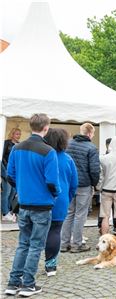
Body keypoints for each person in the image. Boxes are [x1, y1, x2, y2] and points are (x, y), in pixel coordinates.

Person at [4, 114, 60, 297]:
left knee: (23, 244)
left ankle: (13, 283)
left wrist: (22, 189)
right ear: (46, 128)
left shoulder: (17, 148)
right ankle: (28, 284)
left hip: (24, 203)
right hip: (42, 205)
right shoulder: (48, 151)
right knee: (35, 245)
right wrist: (55, 194)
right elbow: (52, 181)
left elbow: (9, 175)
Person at [43, 128, 78, 277]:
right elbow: (74, 184)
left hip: (42, 199)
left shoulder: (42, 156)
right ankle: (51, 265)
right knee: (55, 231)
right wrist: (67, 199)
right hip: (61, 199)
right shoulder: (67, 159)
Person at [61, 123, 100, 253]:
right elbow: (94, 170)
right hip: (84, 185)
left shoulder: (68, 144)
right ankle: (77, 244)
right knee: (80, 215)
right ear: (89, 133)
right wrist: (95, 184)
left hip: (69, 184)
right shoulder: (92, 148)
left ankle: (64, 243)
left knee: (69, 213)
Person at [97, 138, 116, 235]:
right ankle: (102, 226)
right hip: (112, 186)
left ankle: (113, 226)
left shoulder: (104, 157)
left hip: (109, 186)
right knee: (107, 209)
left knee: (107, 209)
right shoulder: (104, 157)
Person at [1, 127, 21, 221]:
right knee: (6, 193)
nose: (18, 136)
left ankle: (9, 211)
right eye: (16, 134)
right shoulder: (6, 143)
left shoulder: (20, 145)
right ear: (12, 134)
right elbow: (2, 157)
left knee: (13, 193)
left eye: (19, 134)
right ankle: (4, 213)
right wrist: (6, 169)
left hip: (15, 172)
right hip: (6, 171)